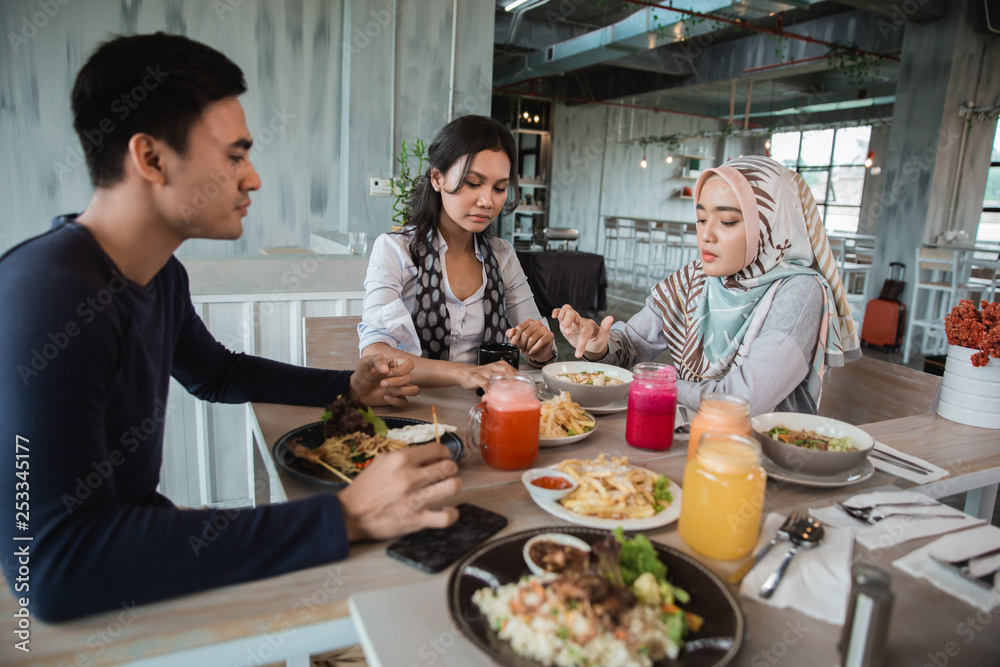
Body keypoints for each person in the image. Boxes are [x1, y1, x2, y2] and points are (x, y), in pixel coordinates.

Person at [0, 33, 461, 622]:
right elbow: (51, 567)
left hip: (128, 553)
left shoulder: (159, 274)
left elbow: (215, 373)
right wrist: (345, 516)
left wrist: (347, 388)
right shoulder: (48, 293)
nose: (253, 179)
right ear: (151, 158)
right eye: (235, 155)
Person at [553, 155, 861, 415]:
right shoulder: (695, 278)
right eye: (701, 220)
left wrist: (649, 381)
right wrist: (599, 346)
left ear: (769, 224)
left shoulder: (799, 292)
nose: (706, 235)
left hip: (759, 461)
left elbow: (743, 401)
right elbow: (629, 348)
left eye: (727, 222)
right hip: (687, 436)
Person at [359, 115, 556, 390]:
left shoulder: (502, 256)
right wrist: (464, 374)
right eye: (473, 183)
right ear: (437, 178)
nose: (487, 201)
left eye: (500, 188)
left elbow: (541, 352)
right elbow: (375, 354)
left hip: (486, 409)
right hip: (415, 407)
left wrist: (541, 347)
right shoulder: (396, 251)